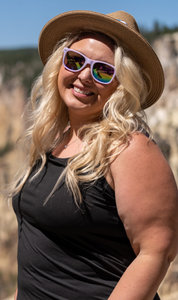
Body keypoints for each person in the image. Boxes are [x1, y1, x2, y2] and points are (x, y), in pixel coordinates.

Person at [11, 10, 178, 299]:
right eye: (75, 61)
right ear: (59, 66)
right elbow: (43, 252)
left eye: (103, 70)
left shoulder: (129, 148)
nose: (84, 76)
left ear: (121, 85)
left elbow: (157, 251)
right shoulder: (55, 139)